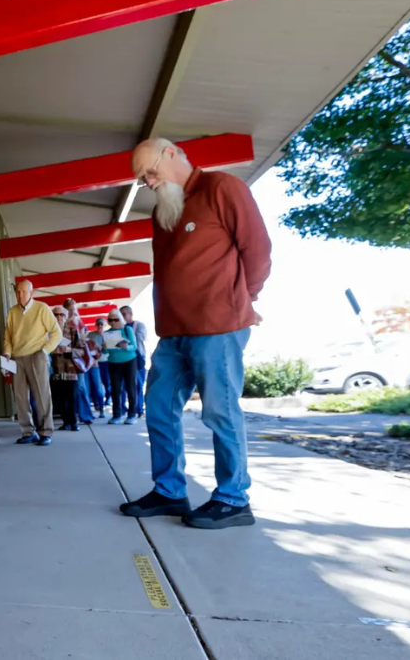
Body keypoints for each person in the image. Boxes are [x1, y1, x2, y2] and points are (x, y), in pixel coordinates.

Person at [119, 138, 271, 530]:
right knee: (157, 406)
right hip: (173, 333)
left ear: (171, 153)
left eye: (150, 171)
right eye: (142, 178)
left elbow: (257, 250)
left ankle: (233, 499)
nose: (148, 181)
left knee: (220, 411)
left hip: (218, 328)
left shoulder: (222, 188)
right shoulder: (163, 211)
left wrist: (242, 302)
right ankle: (169, 491)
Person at [2, 280, 63, 446]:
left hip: (37, 355)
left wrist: (44, 351)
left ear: (31, 292)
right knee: (20, 397)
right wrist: (7, 353)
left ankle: (45, 432)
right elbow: (8, 336)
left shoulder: (41, 308)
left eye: (23, 291)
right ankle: (28, 431)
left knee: (42, 395)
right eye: (17, 292)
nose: (20, 295)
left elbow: (56, 333)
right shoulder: (12, 312)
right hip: (16, 358)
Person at [64, 298, 96, 425]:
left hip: (77, 358)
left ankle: (86, 415)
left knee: (81, 386)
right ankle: (71, 416)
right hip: (65, 359)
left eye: (74, 309)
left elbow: (85, 340)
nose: (72, 312)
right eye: (69, 310)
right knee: (68, 389)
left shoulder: (79, 323)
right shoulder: (62, 324)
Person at [104, 309, 139, 425]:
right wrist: (104, 347)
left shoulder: (127, 329)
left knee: (130, 387)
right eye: (110, 320)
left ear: (121, 319)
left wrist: (126, 347)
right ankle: (116, 414)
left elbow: (134, 346)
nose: (113, 322)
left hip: (129, 361)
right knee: (115, 389)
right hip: (114, 362)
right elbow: (106, 352)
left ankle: (132, 414)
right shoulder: (107, 333)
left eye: (116, 319)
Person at [49, 307, 81, 432]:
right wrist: (53, 351)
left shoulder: (72, 331)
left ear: (66, 316)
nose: (59, 317)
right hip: (55, 370)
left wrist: (69, 350)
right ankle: (65, 422)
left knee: (72, 397)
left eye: (62, 315)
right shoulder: (49, 332)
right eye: (56, 315)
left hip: (70, 370)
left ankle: (73, 422)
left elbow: (81, 351)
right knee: (59, 398)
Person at [121, 305, 147, 418]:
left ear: (130, 314)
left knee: (138, 385)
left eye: (124, 314)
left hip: (136, 357)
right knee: (122, 386)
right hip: (122, 359)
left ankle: (139, 409)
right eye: (120, 314)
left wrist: (128, 336)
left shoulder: (139, 325)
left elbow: (140, 338)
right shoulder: (120, 328)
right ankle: (123, 409)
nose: (122, 316)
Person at [88, 317, 110, 418]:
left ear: (104, 325)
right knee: (96, 385)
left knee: (107, 384)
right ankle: (99, 405)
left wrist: (105, 348)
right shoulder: (91, 335)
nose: (100, 326)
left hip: (106, 362)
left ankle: (106, 401)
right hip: (94, 363)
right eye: (98, 324)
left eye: (102, 324)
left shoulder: (108, 335)